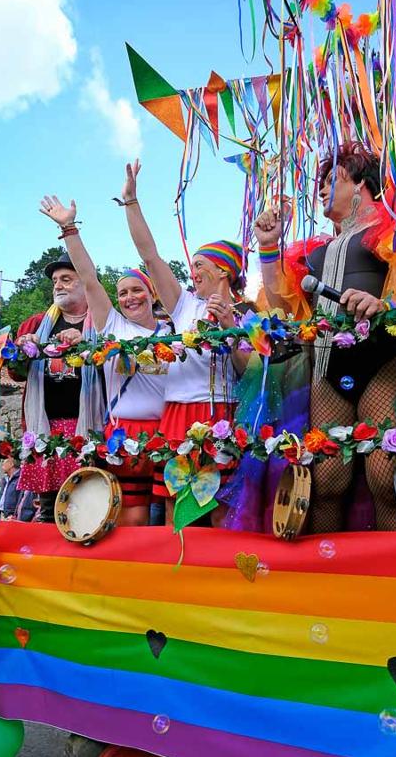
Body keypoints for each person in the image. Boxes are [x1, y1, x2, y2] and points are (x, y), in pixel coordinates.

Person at [255, 141, 396, 531]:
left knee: (386, 478)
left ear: (361, 185)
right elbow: (282, 309)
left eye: (331, 180)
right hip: (327, 369)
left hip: (382, 363)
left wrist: (384, 304)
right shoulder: (314, 251)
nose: (319, 190)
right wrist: (268, 248)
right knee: (328, 479)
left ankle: (393, 575)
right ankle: (329, 576)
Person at [118, 160, 251, 524]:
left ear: (224, 270)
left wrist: (230, 328)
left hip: (224, 413)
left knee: (222, 509)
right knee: (178, 512)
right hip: (178, 412)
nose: (192, 271)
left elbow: (249, 372)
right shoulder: (183, 304)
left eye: (199, 264)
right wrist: (131, 202)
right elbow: (150, 256)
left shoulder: (247, 316)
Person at [40, 194, 171, 526]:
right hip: (123, 434)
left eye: (137, 290)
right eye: (123, 292)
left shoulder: (174, 329)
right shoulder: (112, 325)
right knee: (134, 519)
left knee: (169, 519)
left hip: (169, 433)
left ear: (152, 293)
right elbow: (88, 278)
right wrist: (69, 228)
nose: (129, 297)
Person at [14, 252, 106, 522]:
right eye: (55, 280)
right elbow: (16, 374)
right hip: (46, 426)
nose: (58, 285)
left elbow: (114, 371)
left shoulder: (101, 322)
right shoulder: (36, 324)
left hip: (87, 425)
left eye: (66, 279)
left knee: (86, 505)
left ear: (86, 283)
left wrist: (87, 344)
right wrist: (21, 350)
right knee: (47, 509)